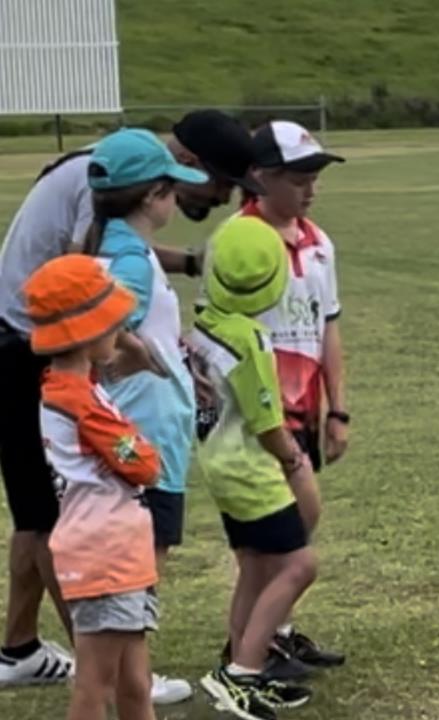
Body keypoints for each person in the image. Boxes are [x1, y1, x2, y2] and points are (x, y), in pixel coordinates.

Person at [0, 110, 261, 699]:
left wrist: (183, 280)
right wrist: (142, 357)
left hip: (35, 345)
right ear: (171, 178)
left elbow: (110, 269)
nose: (219, 200)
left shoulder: (113, 172)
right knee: (52, 516)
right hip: (24, 346)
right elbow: (89, 283)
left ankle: (21, 650)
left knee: (39, 512)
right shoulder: (100, 188)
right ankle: (114, 670)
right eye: (218, 186)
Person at [76, 128, 210, 704]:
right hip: (144, 444)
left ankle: (136, 695)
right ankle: (120, 692)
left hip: (142, 436)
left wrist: (172, 359)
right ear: (153, 195)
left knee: (132, 594)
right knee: (132, 592)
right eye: (172, 189)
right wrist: (138, 357)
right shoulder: (129, 253)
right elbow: (101, 325)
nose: (176, 199)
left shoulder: (107, 242)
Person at [188, 216, 317, 720]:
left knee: (256, 567)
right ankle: (243, 673)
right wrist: (292, 457)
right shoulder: (251, 340)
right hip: (251, 472)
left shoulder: (203, 324)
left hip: (219, 467)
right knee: (299, 564)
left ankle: (241, 664)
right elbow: (267, 421)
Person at [25, 255, 161, 720]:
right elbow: (144, 465)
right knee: (94, 684)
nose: (120, 328)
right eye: (112, 321)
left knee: (135, 682)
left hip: (115, 548)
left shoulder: (67, 385)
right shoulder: (79, 399)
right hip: (105, 553)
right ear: (86, 331)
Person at [238, 120, 347, 669]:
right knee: (278, 538)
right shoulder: (240, 242)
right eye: (299, 177)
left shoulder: (319, 243)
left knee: (289, 532)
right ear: (260, 177)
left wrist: (339, 409)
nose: (310, 188)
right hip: (258, 415)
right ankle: (250, 652)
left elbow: (327, 326)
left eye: (315, 176)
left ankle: (272, 634)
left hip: (304, 405)